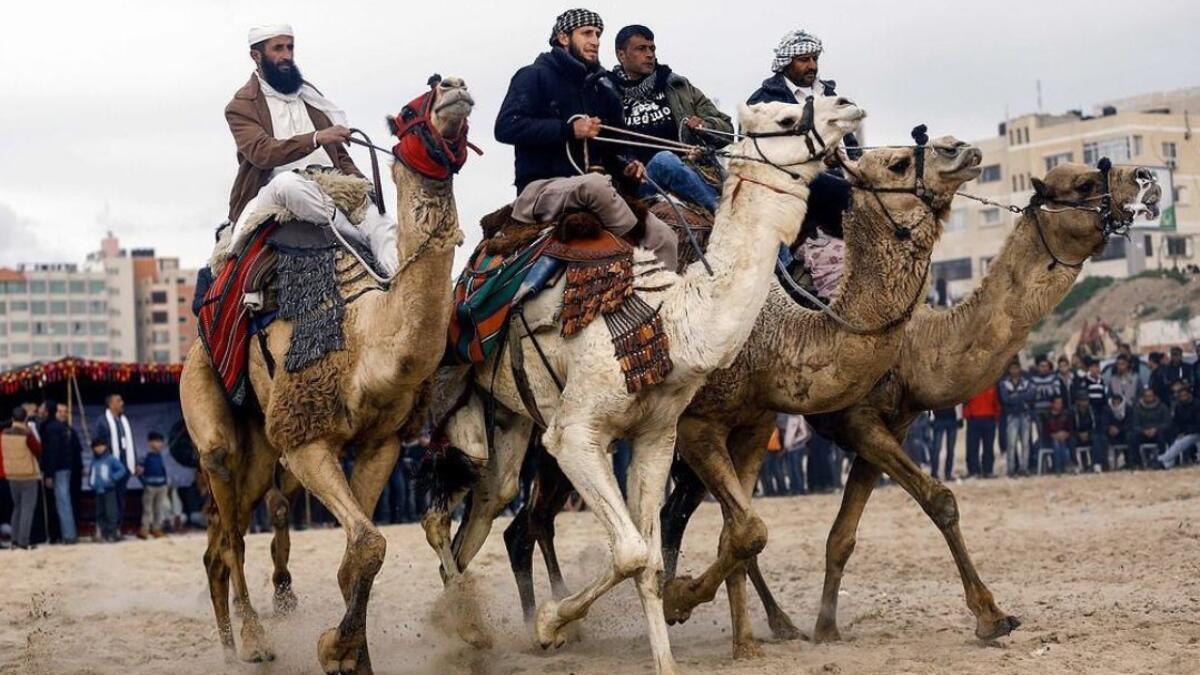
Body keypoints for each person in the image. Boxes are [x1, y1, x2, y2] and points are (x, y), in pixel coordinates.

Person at [494, 8, 678, 269]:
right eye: (587, 33)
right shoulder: (532, 76)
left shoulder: (603, 92)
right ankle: (635, 258)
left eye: (598, 34)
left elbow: (616, 151)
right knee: (595, 184)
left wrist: (628, 167)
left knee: (664, 236)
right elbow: (506, 127)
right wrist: (569, 130)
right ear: (563, 37)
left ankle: (663, 299)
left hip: (597, 189)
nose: (595, 41)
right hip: (541, 189)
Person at [224, 24, 397, 275]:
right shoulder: (241, 106)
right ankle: (352, 237)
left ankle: (394, 282)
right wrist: (316, 138)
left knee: (382, 223)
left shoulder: (311, 97)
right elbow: (262, 153)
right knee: (288, 184)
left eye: (290, 47)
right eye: (278, 48)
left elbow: (340, 156)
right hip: (274, 191)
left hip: (330, 185)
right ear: (256, 55)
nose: (286, 55)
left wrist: (364, 186)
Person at [606, 24, 733, 213]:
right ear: (621, 55)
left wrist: (706, 126)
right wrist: (625, 165)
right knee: (663, 160)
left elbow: (727, 131)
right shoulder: (605, 92)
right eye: (641, 49)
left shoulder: (677, 85)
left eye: (652, 48)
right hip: (640, 184)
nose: (649, 54)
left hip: (692, 172)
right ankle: (721, 213)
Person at [1, 406, 43, 550]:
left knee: (17, 508)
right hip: (28, 474)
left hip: (12, 474)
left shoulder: (4, 433)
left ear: (12, 419)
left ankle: (14, 540)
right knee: (27, 509)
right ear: (25, 419)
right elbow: (38, 449)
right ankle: (23, 541)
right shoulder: (27, 434)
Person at [39, 402, 81, 544]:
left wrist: (49, 474)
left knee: (63, 501)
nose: (63, 414)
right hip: (65, 468)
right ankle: (68, 533)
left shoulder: (54, 428)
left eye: (65, 411)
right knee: (64, 500)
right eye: (61, 411)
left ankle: (69, 534)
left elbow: (52, 453)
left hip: (59, 469)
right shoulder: (64, 428)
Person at [94, 393, 135, 533]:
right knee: (107, 499)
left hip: (123, 467)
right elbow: (96, 443)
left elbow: (130, 443)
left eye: (121, 400)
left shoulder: (123, 420)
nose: (122, 403)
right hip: (108, 467)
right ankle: (105, 529)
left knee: (121, 498)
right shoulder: (102, 421)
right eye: (118, 401)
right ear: (110, 404)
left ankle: (117, 527)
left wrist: (133, 462)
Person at [999, 362, 1035, 477]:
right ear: (1009, 370)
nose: (1014, 370)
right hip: (1012, 416)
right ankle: (1011, 469)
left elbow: (1031, 395)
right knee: (1011, 444)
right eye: (1012, 368)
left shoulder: (1026, 382)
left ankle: (1024, 468)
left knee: (1025, 444)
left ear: (1020, 368)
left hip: (1024, 415)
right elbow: (1005, 399)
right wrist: (1021, 396)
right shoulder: (1004, 383)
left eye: (1016, 368)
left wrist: (1015, 396)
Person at [89, 438, 127, 543]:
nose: (99, 449)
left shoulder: (111, 459)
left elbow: (122, 470)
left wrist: (113, 478)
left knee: (111, 512)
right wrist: (91, 483)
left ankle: (112, 533)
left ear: (106, 447)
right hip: (98, 490)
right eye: (96, 447)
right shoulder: (94, 461)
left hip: (109, 490)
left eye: (101, 446)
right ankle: (103, 533)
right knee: (100, 512)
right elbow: (92, 474)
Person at [137, 431, 170, 539]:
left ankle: (157, 529)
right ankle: (145, 529)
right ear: (150, 443)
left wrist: (165, 483)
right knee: (147, 509)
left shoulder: (160, 456)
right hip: (150, 487)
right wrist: (145, 483)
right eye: (157, 442)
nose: (159, 444)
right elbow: (138, 472)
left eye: (161, 442)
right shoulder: (145, 457)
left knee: (159, 509)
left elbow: (163, 470)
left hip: (162, 487)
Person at [963, 385, 1000, 478]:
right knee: (972, 447)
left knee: (988, 447)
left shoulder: (992, 384)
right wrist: (968, 415)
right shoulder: (971, 385)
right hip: (974, 419)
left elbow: (997, 401)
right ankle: (974, 471)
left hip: (989, 418)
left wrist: (996, 416)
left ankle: (988, 470)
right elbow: (965, 402)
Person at [1157, 386, 1199, 468]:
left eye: (1185, 395)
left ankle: (1161, 459)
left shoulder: (1198, 405)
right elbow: (1176, 423)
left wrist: (1186, 432)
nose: (1183, 398)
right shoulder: (1178, 407)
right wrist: (1179, 432)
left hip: (1195, 432)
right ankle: (1165, 464)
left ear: (1189, 395)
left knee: (1181, 442)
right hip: (1185, 432)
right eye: (1181, 396)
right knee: (1177, 441)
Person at [1130, 388, 1170, 468]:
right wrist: (1143, 431)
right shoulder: (1138, 408)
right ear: (1143, 397)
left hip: (1158, 432)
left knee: (1162, 437)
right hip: (1143, 433)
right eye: (1146, 396)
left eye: (1150, 396)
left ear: (1154, 396)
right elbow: (1135, 424)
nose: (1148, 398)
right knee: (1133, 437)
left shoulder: (1162, 407)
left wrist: (1156, 429)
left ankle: (1161, 462)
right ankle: (1137, 463)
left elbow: (1167, 423)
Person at [1041, 397, 1073, 475]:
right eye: (1057, 403)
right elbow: (1045, 432)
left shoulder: (1066, 414)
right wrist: (1054, 435)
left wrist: (1065, 434)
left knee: (1061, 443)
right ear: (1052, 404)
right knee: (1056, 444)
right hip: (1050, 439)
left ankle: (1062, 466)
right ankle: (1059, 467)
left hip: (1064, 438)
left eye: (1061, 403)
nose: (1059, 405)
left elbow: (1071, 428)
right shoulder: (1046, 415)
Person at [778, 414, 809, 495]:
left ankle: (800, 488)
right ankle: (794, 488)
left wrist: (794, 441)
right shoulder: (784, 417)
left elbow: (805, 434)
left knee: (797, 469)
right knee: (790, 470)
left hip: (797, 448)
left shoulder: (798, 417)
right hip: (788, 449)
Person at [1102, 394, 1131, 470]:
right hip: (1110, 434)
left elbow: (1130, 423)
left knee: (1131, 436)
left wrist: (1119, 429)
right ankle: (1105, 465)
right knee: (1102, 439)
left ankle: (1130, 463)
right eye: (1114, 403)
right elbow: (1104, 423)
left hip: (1124, 433)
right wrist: (1109, 428)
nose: (1116, 405)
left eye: (1118, 403)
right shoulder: (1106, 409)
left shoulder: (1128, 409)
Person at [929, 406, 959, 480]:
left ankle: (948, 474)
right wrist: (930, 418)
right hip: (939, 419)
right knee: (936, 449)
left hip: (951, 419)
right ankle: (934, 473)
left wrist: (959, 417)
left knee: (950, 449)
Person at [1071, 396, 1097, 472]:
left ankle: (1095, 464)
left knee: (1096, 438)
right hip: (1077, 435)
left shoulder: (1092, 411)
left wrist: (1088, 433)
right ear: (1077, 402)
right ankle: (1075, 464)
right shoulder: (1072, 412)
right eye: (1082, 401)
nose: (1084, 403)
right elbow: (1071, 427)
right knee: (1071, 441)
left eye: (1085, 401)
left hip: (1089, 434)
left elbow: (1095, 426)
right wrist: (1079, 434)